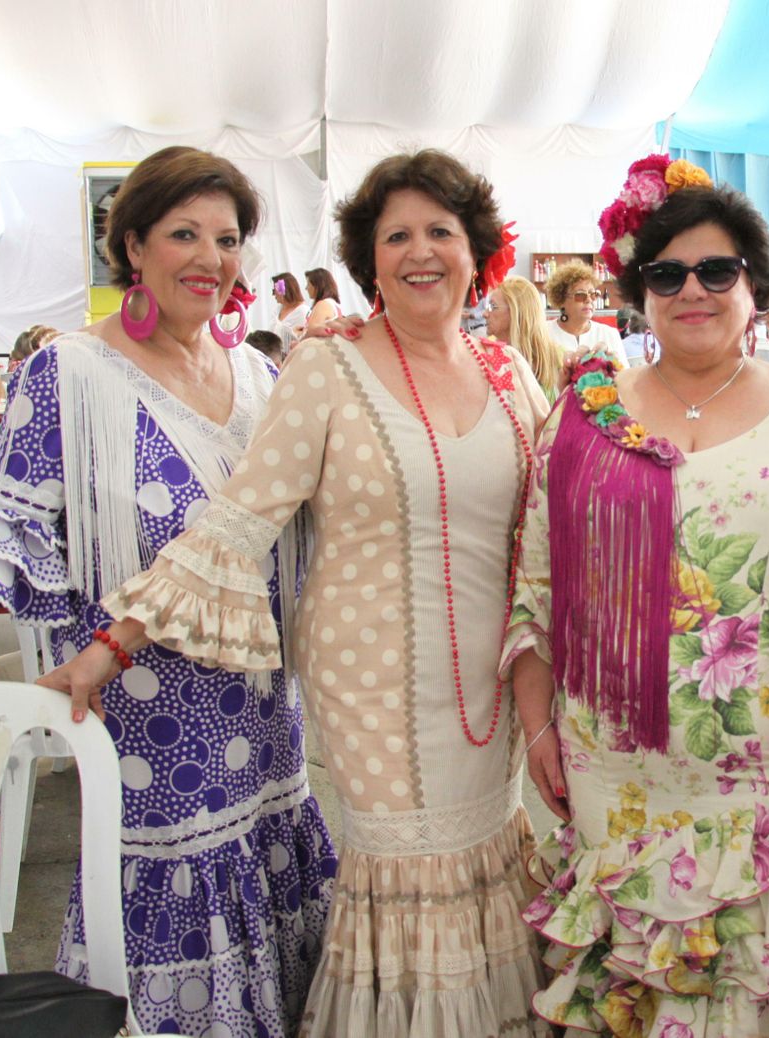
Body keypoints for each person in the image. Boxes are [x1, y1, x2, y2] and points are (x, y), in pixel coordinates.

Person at [0, 146, 338, 1038]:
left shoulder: (257, 378)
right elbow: (3, 528)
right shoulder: (69, 375)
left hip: (265, 719)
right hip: (143, 719)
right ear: (132, 244)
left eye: (228, 237)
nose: (210, 257)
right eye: (184, 234)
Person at [100, 148, 551, 1037]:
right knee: (404, 871)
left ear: (477, 251)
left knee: (487, 851)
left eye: (440, 232)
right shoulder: (326, 368)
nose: (420, 252)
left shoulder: (510, 372)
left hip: (489, 685)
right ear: (369, 259)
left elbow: (548, 533)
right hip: (369, 677)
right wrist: (109, 648)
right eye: (396, 236)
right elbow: (237, 521)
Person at [505, 152, 769, 1036]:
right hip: (616, 765)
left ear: (757, 285)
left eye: (716, 269)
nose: (691, 289)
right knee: (630, 987)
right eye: (666, 272)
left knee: (764, 987)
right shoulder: (584, 413)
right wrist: (536, 725)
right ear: (638, 287)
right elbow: (535, 586)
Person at [487, 273, 567, 399]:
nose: (485, 314)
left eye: (493, 307)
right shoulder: (485, 356)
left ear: (516, 312)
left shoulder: (559, 358)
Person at [545, 259, 625, 366]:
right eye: (580, 295)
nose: (589, 300)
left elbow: (624, 375)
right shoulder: (544, 333)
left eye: (593, 294)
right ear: (562, 300)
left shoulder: (609, 334)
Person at [270, 270, 309, 347]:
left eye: (274, 291)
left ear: (284, 291)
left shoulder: (302, 312)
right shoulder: (277, 310)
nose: (273, 295)